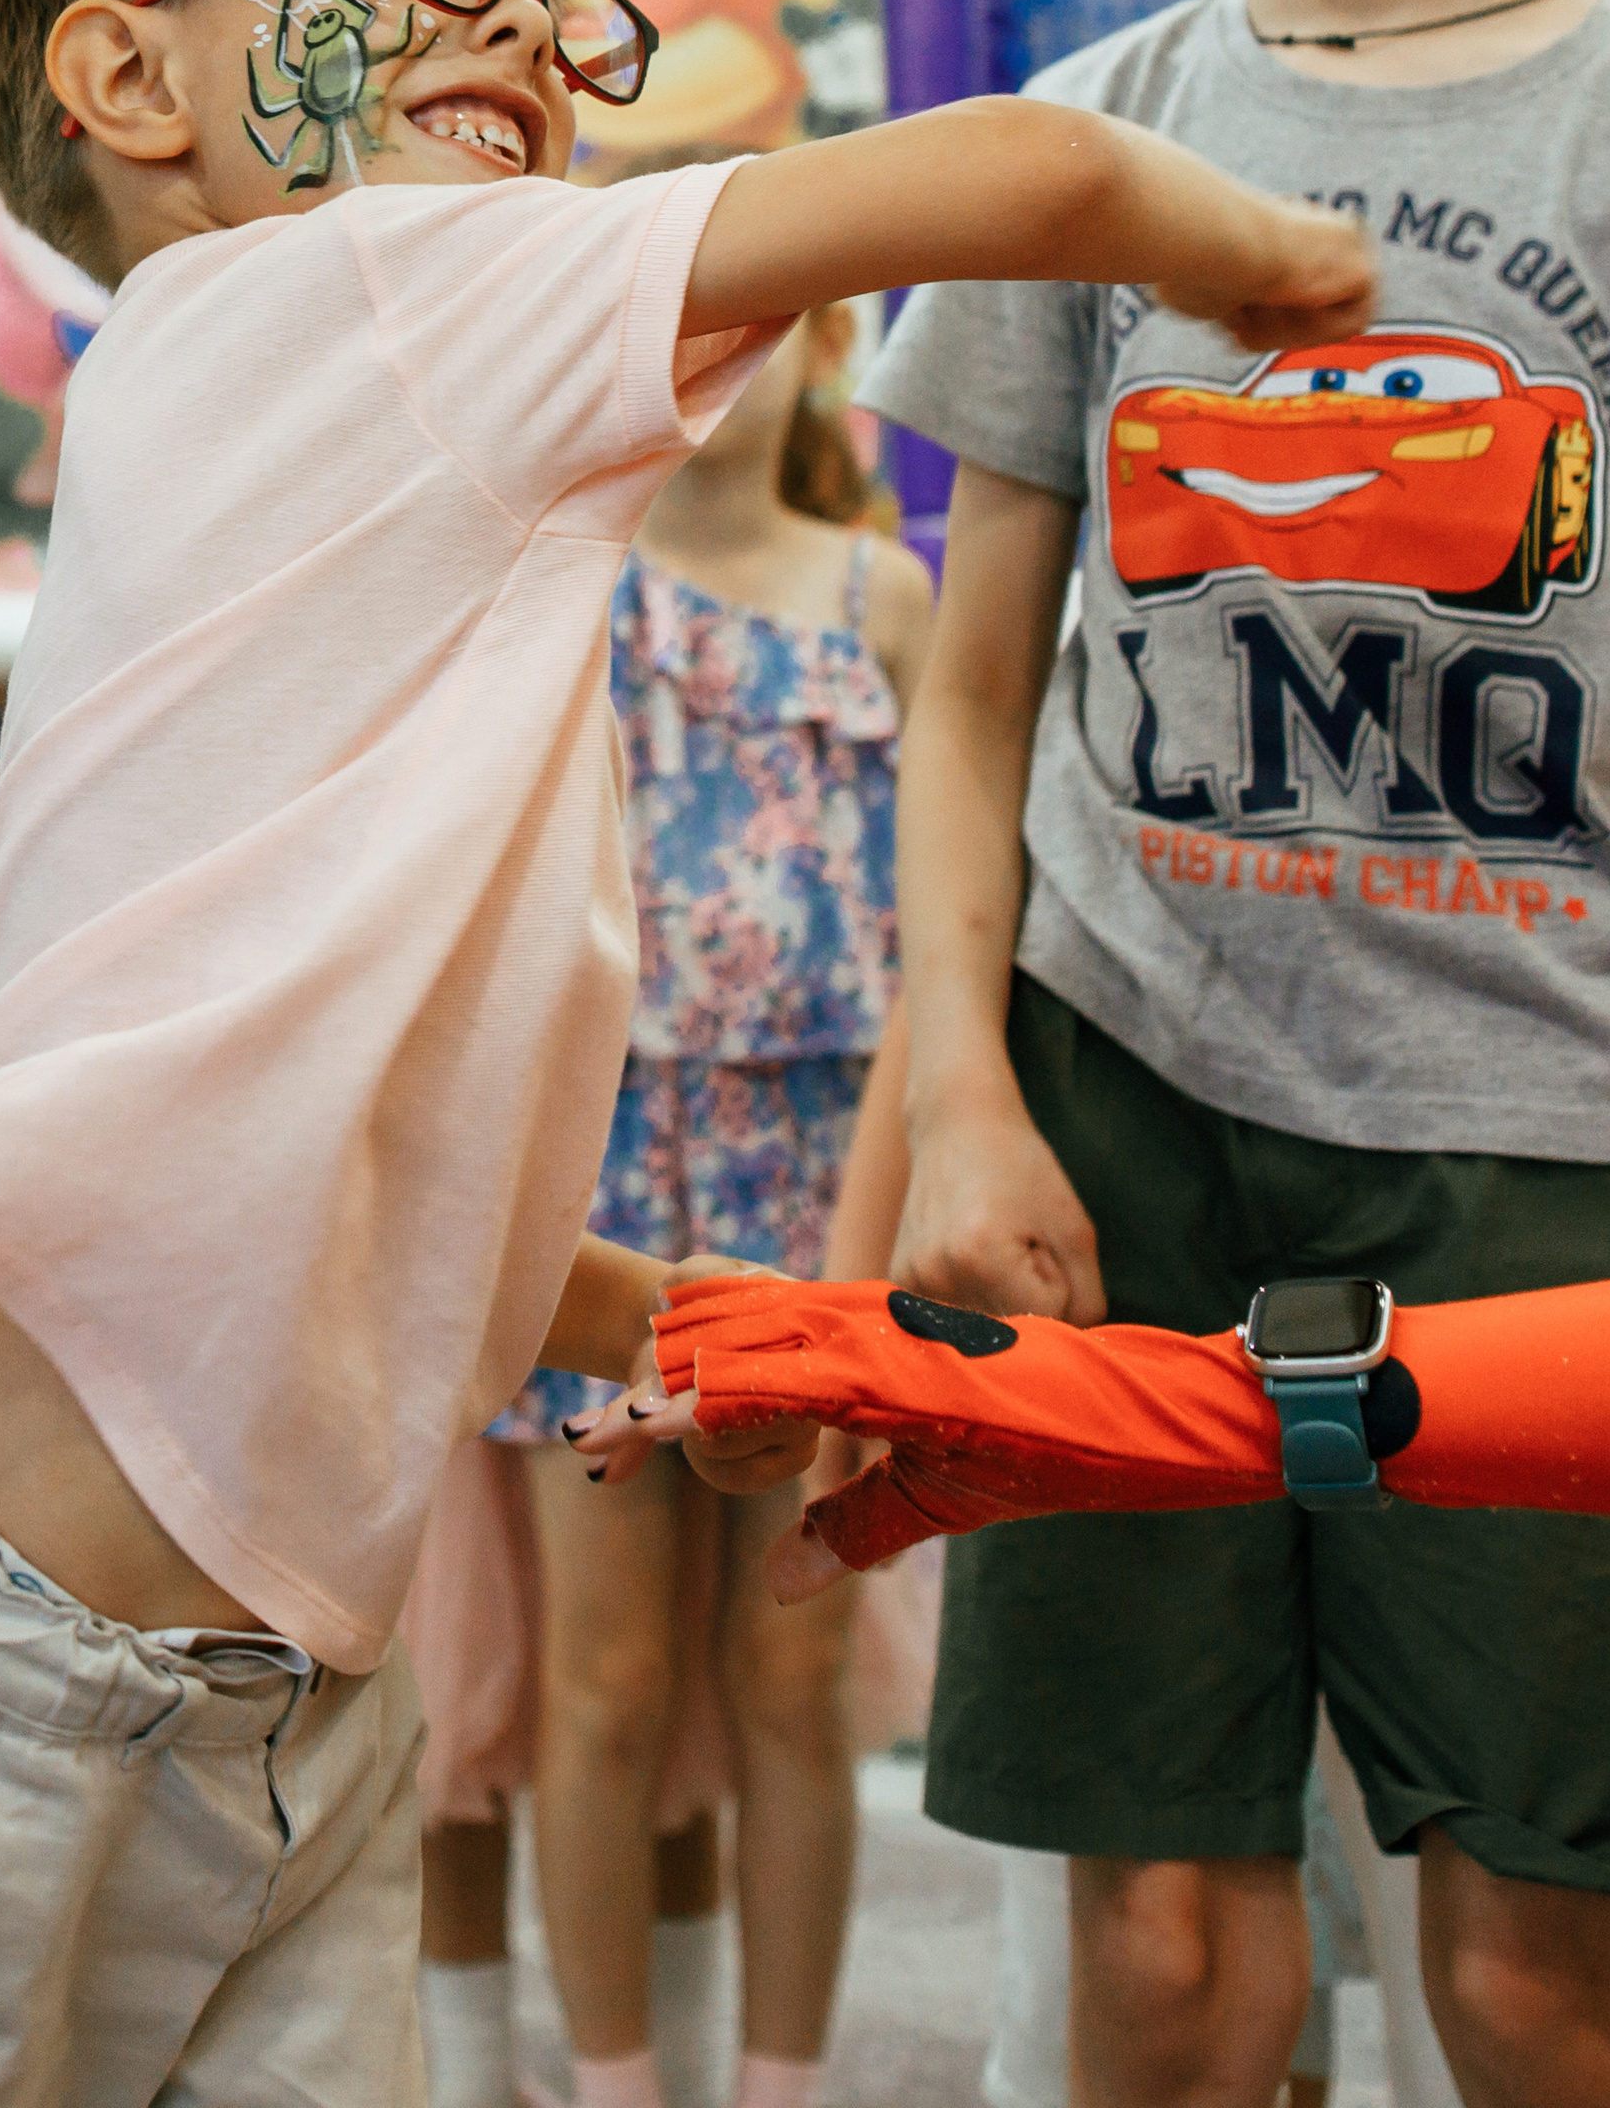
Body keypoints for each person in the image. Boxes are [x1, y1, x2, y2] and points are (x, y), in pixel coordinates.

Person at [0, 0, 1369, 2107]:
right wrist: (1275, 251)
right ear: (123, 77)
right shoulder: (356, 296)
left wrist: (662, 1315)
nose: (524, 27)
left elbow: (350, 1156)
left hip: (288, 1706)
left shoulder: (340, 496)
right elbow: (1023, 171)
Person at [855, 0, 1610, 2108]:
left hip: (1543, 1170)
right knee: (1164, 1965)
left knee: (1536, 1958)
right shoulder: (1097, 133)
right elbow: (969, 698)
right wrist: (964, 1086)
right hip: (1122, 1116)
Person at [413, 285, 933, 2108]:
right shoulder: (557, 590)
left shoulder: (889, 598)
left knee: (791, 1677)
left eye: (765, 321)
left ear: (822, 352)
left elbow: (948, 923)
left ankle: (778, 2088)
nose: (726, 360)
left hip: (814, 1181)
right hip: (602, 1180)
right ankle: (620, 2089)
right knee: (610, 1681)